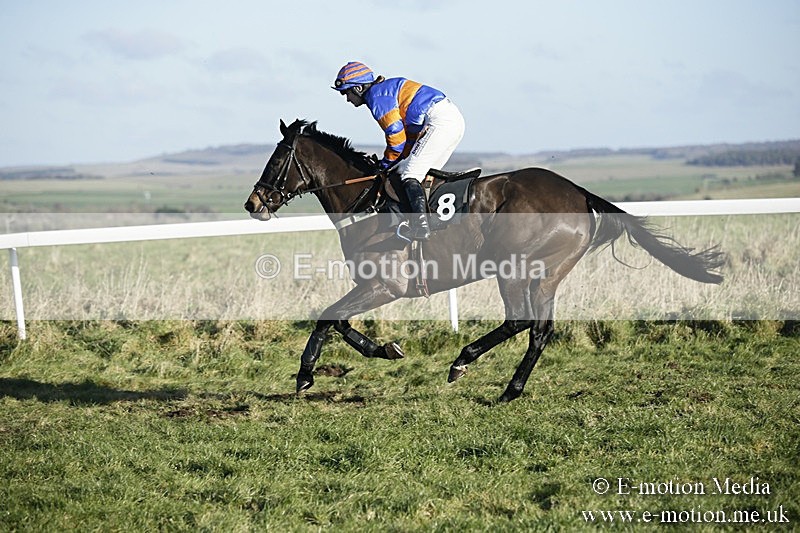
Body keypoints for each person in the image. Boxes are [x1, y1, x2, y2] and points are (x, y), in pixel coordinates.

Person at [332, 61, 466, 240]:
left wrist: (384, 164)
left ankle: (420, 227)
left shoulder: (377, 98)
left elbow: (396, 138)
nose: (347, 99)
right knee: (425, 176)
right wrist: (397, 158)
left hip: (439, 122)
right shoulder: (383, 91)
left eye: (346, 92)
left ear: (358, 88)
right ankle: (430, 220)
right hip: (451, 119)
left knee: (410, 175)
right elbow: (407, 139)